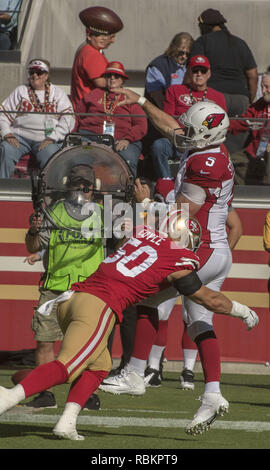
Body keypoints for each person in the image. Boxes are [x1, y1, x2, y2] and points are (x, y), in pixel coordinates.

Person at [0, 202, 258, 441]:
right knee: (68, 367)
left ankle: (67, 422)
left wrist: (145, 206)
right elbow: (210, 300)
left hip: (72, 299)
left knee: (98, 367)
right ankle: (7, 398)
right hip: (99, 305)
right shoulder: (178, 260)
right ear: (190, 243)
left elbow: (129, 237)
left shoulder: (140, 234)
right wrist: (242, 310)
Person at [99, 89, 250, 435]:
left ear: (207, 135)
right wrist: (139, 100)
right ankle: (212, 394)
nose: (184, 135)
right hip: (216, 250)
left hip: (202, 249)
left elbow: (178, 216)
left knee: (147, 296)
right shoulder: (209, 148)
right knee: (198, 323)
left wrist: (146, 202)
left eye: (193, 131)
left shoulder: (204, 165)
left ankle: (136, 372)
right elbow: (172, 128)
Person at [23, 164, 104, 411]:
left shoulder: (105, 213)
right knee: (45, 342)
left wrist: (123, 233)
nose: (82, 188)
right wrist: (34, 230)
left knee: (86, 345)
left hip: (89, 290)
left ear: (94, 188)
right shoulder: (54, 211)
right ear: (69, 186)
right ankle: (44, 393)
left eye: (86, 185)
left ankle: (84, 394)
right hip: (54, 287)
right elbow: (33, 246)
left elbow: (120, 245)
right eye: (78, 184)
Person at [190, 8, 258, 155]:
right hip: (240, 99)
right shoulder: (240, 43)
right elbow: (253, 75)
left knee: (212, 144)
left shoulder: (202, 42)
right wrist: (250, 100)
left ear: (205, 26)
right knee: (237, 152)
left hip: (215, 99)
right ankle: (234, 175)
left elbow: (193, 71)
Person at [151, 55, 227, 178]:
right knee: (159, 146)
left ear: (209, 74)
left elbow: (221, 125)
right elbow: (167, 118)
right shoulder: (174, 90)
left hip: (205, 142)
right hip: (178, 139)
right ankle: (166, 182)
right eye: (195, 70)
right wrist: (182, 136)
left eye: (203, 71)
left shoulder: (218, 97)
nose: (199, 74)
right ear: (188, 72)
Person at [0, 59, 75, 178]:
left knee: (51, 154)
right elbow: (3, 114)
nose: (35, 75)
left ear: (46, 76)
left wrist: (52, 138)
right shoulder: (21, 91)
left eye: (39, 72)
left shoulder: (58, 93)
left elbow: (69, 119)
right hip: (20, 136)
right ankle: (2, 189)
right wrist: (7, 134)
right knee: (6, 149)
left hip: (46, 138)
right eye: (32, 72)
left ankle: (49, 193)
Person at [75, 61, 147, 177]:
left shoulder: (130, 97)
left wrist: (127, 139)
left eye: (116, 76)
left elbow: (141, 124)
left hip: (121, 140)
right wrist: (74, 136)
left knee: (127, 159)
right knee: (79, 158)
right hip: (91, 137)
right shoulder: (93, 94)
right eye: (109, 76)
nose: (112, 79)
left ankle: (126, 193)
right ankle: (86, 191)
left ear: (123, 80)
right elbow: (77, 116)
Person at [70, 7, 123, 111]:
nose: (112, 41)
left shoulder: (85, 50)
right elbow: (102, 82)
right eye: (106, 37)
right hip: (90, 111)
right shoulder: (92, 54)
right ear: (89, 35)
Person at [228, 71, 270, 185]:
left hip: (267, 152)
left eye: (267, 87)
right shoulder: (259, 105)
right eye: (262, 87)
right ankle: (244, 194)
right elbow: (242, 121)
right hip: (255, 151)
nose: (264, 91)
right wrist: (222, 124)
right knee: (230, 162)